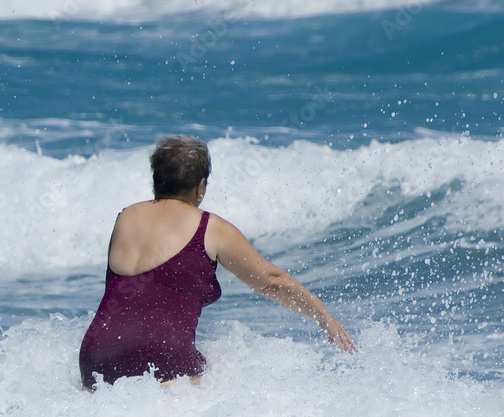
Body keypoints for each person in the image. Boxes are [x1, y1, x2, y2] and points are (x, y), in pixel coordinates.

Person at [79, 135, 355, 390]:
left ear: (156, 179)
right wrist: (324, 316)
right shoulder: (212, 229)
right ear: (200, 186)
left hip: (95, 360)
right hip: (162, 361)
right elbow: (271, 281)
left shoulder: (126, 217)